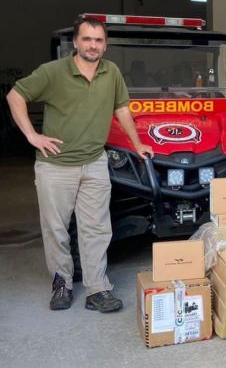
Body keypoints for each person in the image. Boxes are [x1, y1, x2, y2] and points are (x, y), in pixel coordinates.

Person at [6, 17, 153, 312]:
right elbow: (15, 95)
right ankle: (62, 283)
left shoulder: (111, 72)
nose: (93, 45)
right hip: (55, 166)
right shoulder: (54, 72)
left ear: (105, 45)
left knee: (97, 228)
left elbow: (122, 108)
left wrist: (137, 144)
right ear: (75, 42)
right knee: (57, 229)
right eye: (87, 39)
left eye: (99, 41)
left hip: (94, 162)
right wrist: (32, 136)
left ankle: (97, 289)